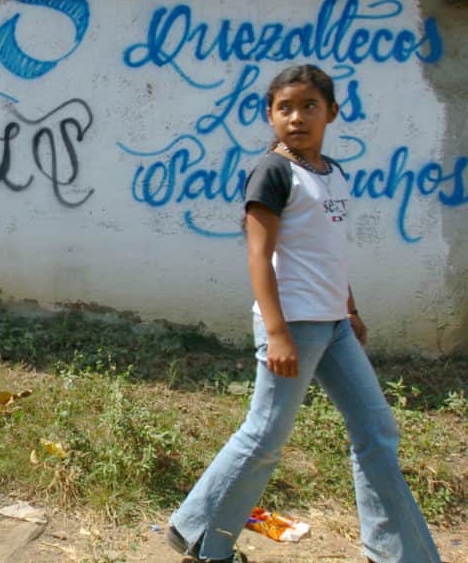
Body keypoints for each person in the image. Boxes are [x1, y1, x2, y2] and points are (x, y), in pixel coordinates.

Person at [165, 65, 442, 563]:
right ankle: (201, 537)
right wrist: (276, 332)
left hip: (333, 325)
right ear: (270, 116)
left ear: (332, 112)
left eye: (309, 106)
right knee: (264, 437)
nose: (297, 117)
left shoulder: (333, 173)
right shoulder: (272, 171)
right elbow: (258, 254)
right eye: (284, 108)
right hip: (291, 324)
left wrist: (350, 308)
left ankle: (401, 554)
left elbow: (328, 249)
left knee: (376, 429)